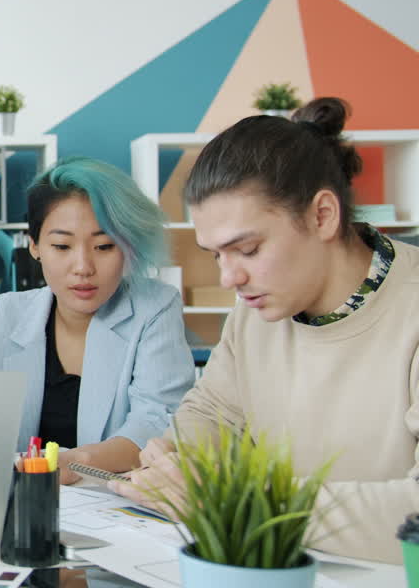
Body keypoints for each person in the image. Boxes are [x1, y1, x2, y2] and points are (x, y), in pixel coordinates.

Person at [110, 98, 419, 563]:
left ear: (322, 216)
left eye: (248, 249)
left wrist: (227, 500)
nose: (229, 278)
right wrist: (178, 459)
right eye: (216, 254)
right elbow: (213, 410)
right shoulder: (258, 313)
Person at [0, 157, 195, 483]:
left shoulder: (155, 307)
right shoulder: (9, 311)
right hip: (22, 499)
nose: (83, 267)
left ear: (128, 247)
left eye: (104, 246)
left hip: (113, 502)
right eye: (62, 246)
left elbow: (155, 422)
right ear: (34, 246)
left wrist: (76, 461)